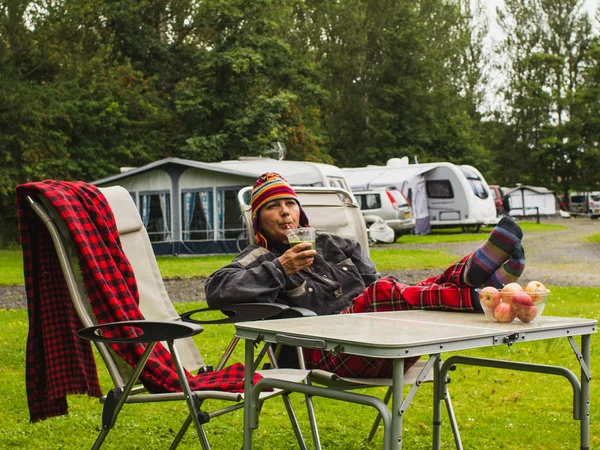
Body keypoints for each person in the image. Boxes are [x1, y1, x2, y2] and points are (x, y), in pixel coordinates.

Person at [205, 173, 526, 378]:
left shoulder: (334, 244)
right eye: (273, 206)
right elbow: (216, 291)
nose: (285, 211)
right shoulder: (258, 257)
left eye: (290, 203)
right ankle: (479, 288)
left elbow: (380, 288)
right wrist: (281, 268)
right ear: (259, 220)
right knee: (384, 294)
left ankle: (474, 279)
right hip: (324, 351)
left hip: (383, 342)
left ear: (300, 212)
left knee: (402, 293)